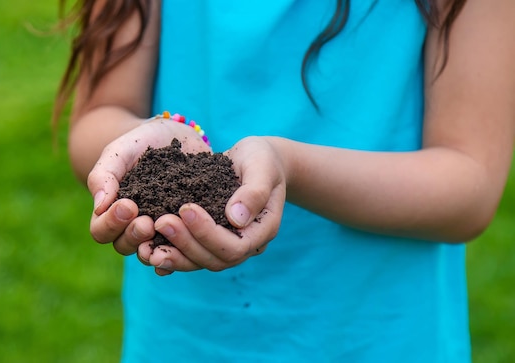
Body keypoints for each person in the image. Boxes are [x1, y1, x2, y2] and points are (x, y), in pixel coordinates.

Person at [54, 0, 515, 361]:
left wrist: (290, 167)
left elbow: (468, 185)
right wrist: (156, 141)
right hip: (187, 336)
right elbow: (98, 117)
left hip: (375, 337)